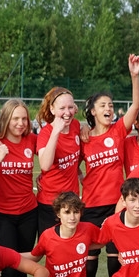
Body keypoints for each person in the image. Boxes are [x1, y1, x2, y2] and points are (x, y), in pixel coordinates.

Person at [80, 54, 139, 277]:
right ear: (92, 111)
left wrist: (134, 76)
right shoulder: (83, 138)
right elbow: (68, 162)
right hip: (91, 206)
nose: (108, 108)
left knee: (116, 262)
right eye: (102, 105)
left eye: (110, 104)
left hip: (117, 205)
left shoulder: (118, 131)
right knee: (88, 265)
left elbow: (136, 106)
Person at [28, 192, 106, 277]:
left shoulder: (87, 229)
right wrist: (6, 254)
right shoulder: (48, 237)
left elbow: (103, 240)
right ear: (58, 214)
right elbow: (34, 256)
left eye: (76, 212)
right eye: (67, 212)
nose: (72, 217)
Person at [0, 99, 38, 277]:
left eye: (24, 119)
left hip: (29, 213)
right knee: (8, 266)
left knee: (23, 266)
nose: (20, 123)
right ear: (6, 119)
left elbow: (56, 149)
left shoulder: (31, 140)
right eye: (15, 118)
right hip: (2, 215)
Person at [35, 87, 81, 235]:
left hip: (71, 201)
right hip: (50, 203)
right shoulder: (46, 133)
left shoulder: (76, 125)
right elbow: (45, 165)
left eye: (70, 107)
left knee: (71, 243)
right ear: (52, 109)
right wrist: (56, 132)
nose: (67, 112)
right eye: (62, 108)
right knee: (51, 246)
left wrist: (79, 172)